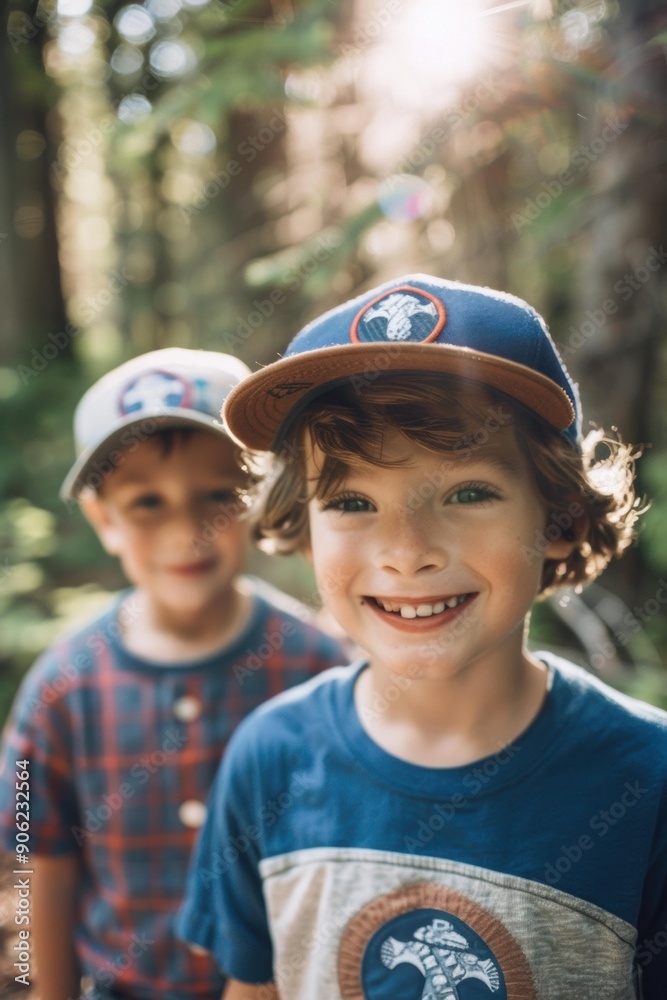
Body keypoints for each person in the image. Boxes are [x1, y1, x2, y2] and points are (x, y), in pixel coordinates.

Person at [176, 276, 667, 1000]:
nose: (406, 552)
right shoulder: (269, 760)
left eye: (467, 492)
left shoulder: (647, 781)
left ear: (558, 517)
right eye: (350, 501)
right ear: (302, 531)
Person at [0, 347, 349, 1000]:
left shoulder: (318, 665)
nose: (186, 530)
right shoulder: (60, 689)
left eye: (216, 496)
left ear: (256, 500)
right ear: (103, 519)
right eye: (146, 503)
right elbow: (38, 861)